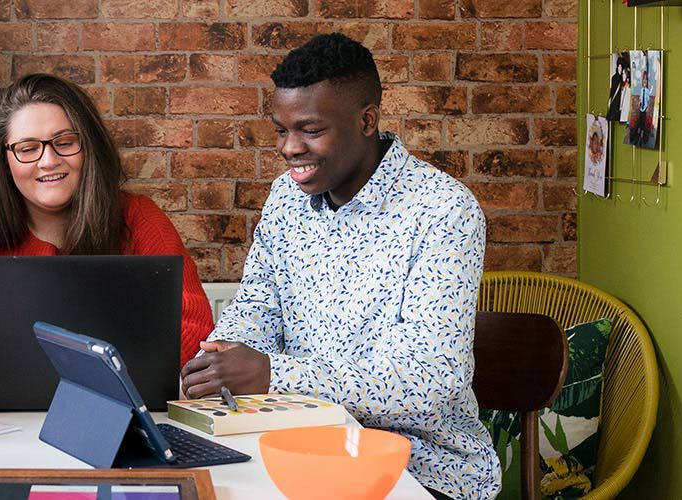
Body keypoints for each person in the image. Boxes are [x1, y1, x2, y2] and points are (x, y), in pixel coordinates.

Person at [177, 34, 500, 499]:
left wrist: (272, 374)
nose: (290, 148)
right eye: (281, 130)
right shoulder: (287, 198)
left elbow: (430, 384)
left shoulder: (442, 211)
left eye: (310, 130)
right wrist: (222, 361)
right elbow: (255, 308)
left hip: (420, 469)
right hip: (294, 450)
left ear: (367, 120)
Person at [0, 73, 214, 364]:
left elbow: (194, 327)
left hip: (110, 405)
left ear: (87, 146)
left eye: (64, 143)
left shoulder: (138, 217)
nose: (48, 161)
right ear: (4, 160)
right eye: (27, 148)